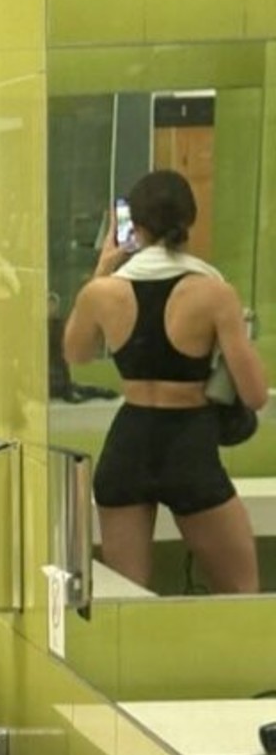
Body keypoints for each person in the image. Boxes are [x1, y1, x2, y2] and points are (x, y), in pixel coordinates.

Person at [63, 168, 268, 593]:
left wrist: (102, 268)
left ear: (134, 227)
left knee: (127, 603)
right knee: (240, 593)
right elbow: (254, 395)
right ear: (189, 219)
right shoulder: (214, 293)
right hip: (188, 443)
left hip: (129, 444)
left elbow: (76, 353)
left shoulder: (103, 293)